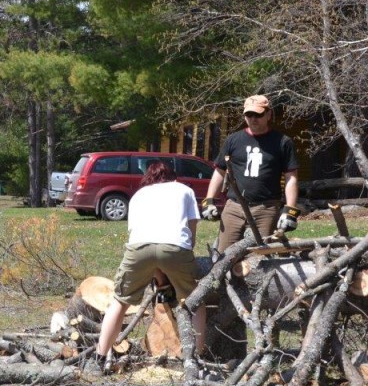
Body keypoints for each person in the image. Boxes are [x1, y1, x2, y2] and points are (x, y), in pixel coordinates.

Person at [96, 160, 206, 362]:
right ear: (172, 177)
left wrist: (158, 274)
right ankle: (196, 358)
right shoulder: (184, 190)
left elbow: (140, 238)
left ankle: (100, 357)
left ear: (148, 178)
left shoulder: (138, 195)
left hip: (139, 248)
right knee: (196, 302)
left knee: (120, 302)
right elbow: (191, 236)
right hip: (175, 246)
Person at [201, 95, 300, 253]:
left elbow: (291, 178)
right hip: (234, 207)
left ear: (269, 114)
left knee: (261, 255)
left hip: (266, 208)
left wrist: (290, 210)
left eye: (258, 115)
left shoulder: (282, 142)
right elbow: (219, 171)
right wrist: (209, 200)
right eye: (249, 115)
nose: (253, 119)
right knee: (224, 254)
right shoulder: (233, 140)